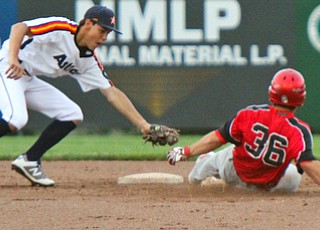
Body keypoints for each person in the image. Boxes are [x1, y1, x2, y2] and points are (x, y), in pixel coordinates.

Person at [0, 5, 160, 187]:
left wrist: (143, 124)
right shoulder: (62, 28)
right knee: (16, 118)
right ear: (88, 24)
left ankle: (30, 160)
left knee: (72, 114)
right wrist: (12, 58)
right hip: (6, 65)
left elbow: (112, 93)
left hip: (27, 78)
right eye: (102, 30)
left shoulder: (88, 60)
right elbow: (19, 27)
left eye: (108, 33)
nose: (104, 38)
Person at [167, 68, 320, 192]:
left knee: (227, 150)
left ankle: (200, 170)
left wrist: (186, 151)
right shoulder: (300, 130)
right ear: (301, 98)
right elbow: (307, 164)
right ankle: (219, 173)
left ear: (272, 92)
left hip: (233, 173)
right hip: (267, 184)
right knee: (294, 177)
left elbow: (217, 137)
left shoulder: (250, 113)